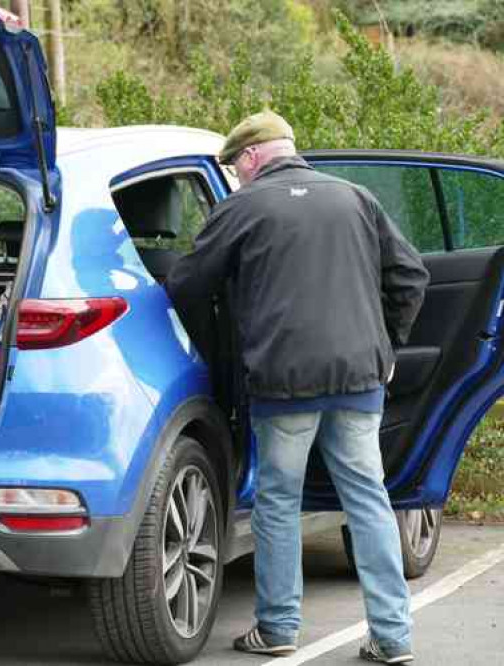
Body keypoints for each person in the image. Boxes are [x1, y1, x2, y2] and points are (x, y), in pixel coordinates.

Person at [165, 110, 429, 664]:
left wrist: (218, 349)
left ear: (253, 156)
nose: (235, 176)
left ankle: (278, 628)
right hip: (360, 380)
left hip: (284, 383)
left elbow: (187, 282)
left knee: (279, 502)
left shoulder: (241, 207)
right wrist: (384, 347)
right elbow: (411, 277)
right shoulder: (356, 198)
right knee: (369, 500)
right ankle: (393, 638)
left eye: (235, 165)